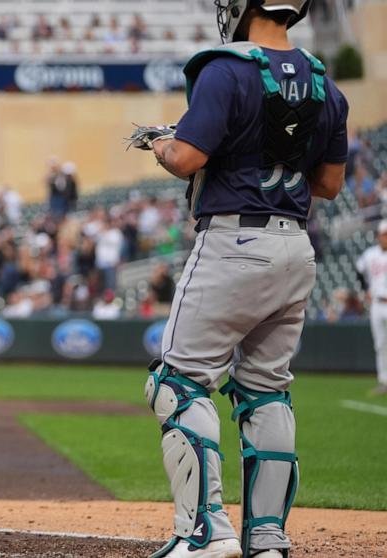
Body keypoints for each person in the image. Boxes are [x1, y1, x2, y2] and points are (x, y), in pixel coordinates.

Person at [136, 1, 348, 557]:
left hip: (233, 241)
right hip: (295, 246)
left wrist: (161, 142)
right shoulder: (326, 82)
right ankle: (268, 540)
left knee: (177, 383)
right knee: (266, 389)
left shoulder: (223, 69)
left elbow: (185, 158)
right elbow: (329, 183)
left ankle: (204, 531)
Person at [356, 221, 387, 395]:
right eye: (384, 234)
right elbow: (359, 271)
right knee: (380, 344)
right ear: (378, 236)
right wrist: (364, 290)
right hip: (376, 303)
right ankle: (383, 381)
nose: (385, 238)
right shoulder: (370, 254)